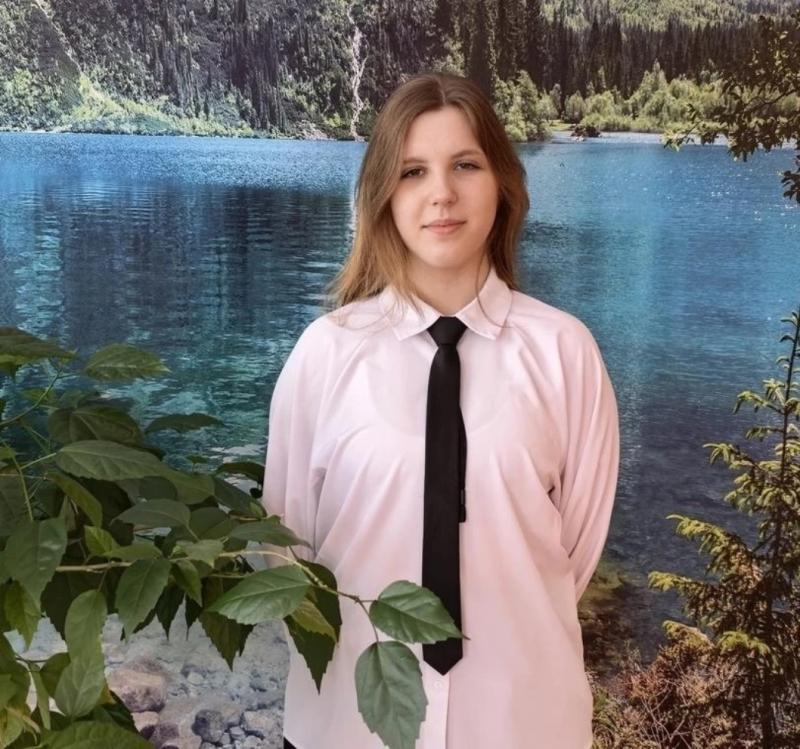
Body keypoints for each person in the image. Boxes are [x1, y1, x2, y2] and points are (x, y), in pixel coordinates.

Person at [262, 71, 620, 749]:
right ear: (383, 194)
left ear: (502, 183)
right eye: (413, 171)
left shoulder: (564, 353)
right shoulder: (326, 354)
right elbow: (286, 549)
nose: (441, 194)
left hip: (521, 724)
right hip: (349, 727)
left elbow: (572, 555)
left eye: (465, 165)